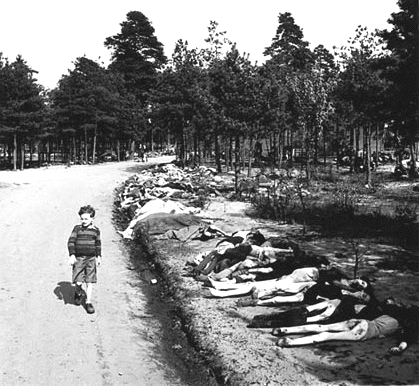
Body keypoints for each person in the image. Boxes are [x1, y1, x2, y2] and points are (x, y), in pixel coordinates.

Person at [67, 205, 102, 314]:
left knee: (90, 281)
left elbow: (98, 244)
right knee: (78, 281)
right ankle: (78, 292)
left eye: (86, 219)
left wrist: (98, 256)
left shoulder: (95, 231)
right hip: (79, 258)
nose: (84, 221)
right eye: (82, 218)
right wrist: (72, 255)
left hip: (91, 259)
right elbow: (71, 241)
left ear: (92, 219)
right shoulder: (77, 229)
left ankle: (88, 302)